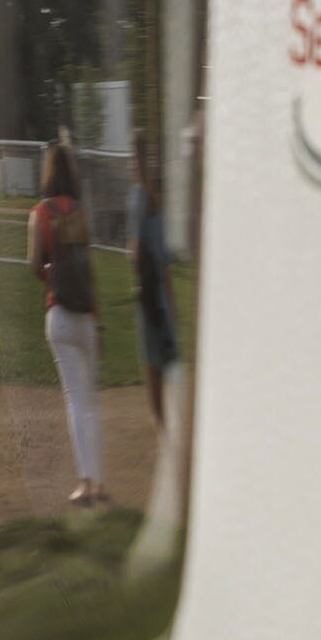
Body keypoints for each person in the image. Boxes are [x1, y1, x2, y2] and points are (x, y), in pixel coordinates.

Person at [27, 142, 107, 509]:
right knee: (90, 402)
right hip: (87, 317)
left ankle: (85, 482)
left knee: (75, 401)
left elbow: (34, 265)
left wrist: (51, 274)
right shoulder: (82, 213)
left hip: (59, 314)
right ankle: (98, 482)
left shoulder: (41, 213)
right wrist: (98, 320)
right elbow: (90, 273)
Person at [129, 136, 180, 434]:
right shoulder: (159, 202)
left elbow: (136, 255)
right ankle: (172, 424)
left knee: (151, 363)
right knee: (168, 358)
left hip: (147, 291)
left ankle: (161, 426)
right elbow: (168, 263)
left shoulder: (137, 197)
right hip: (162, 289)